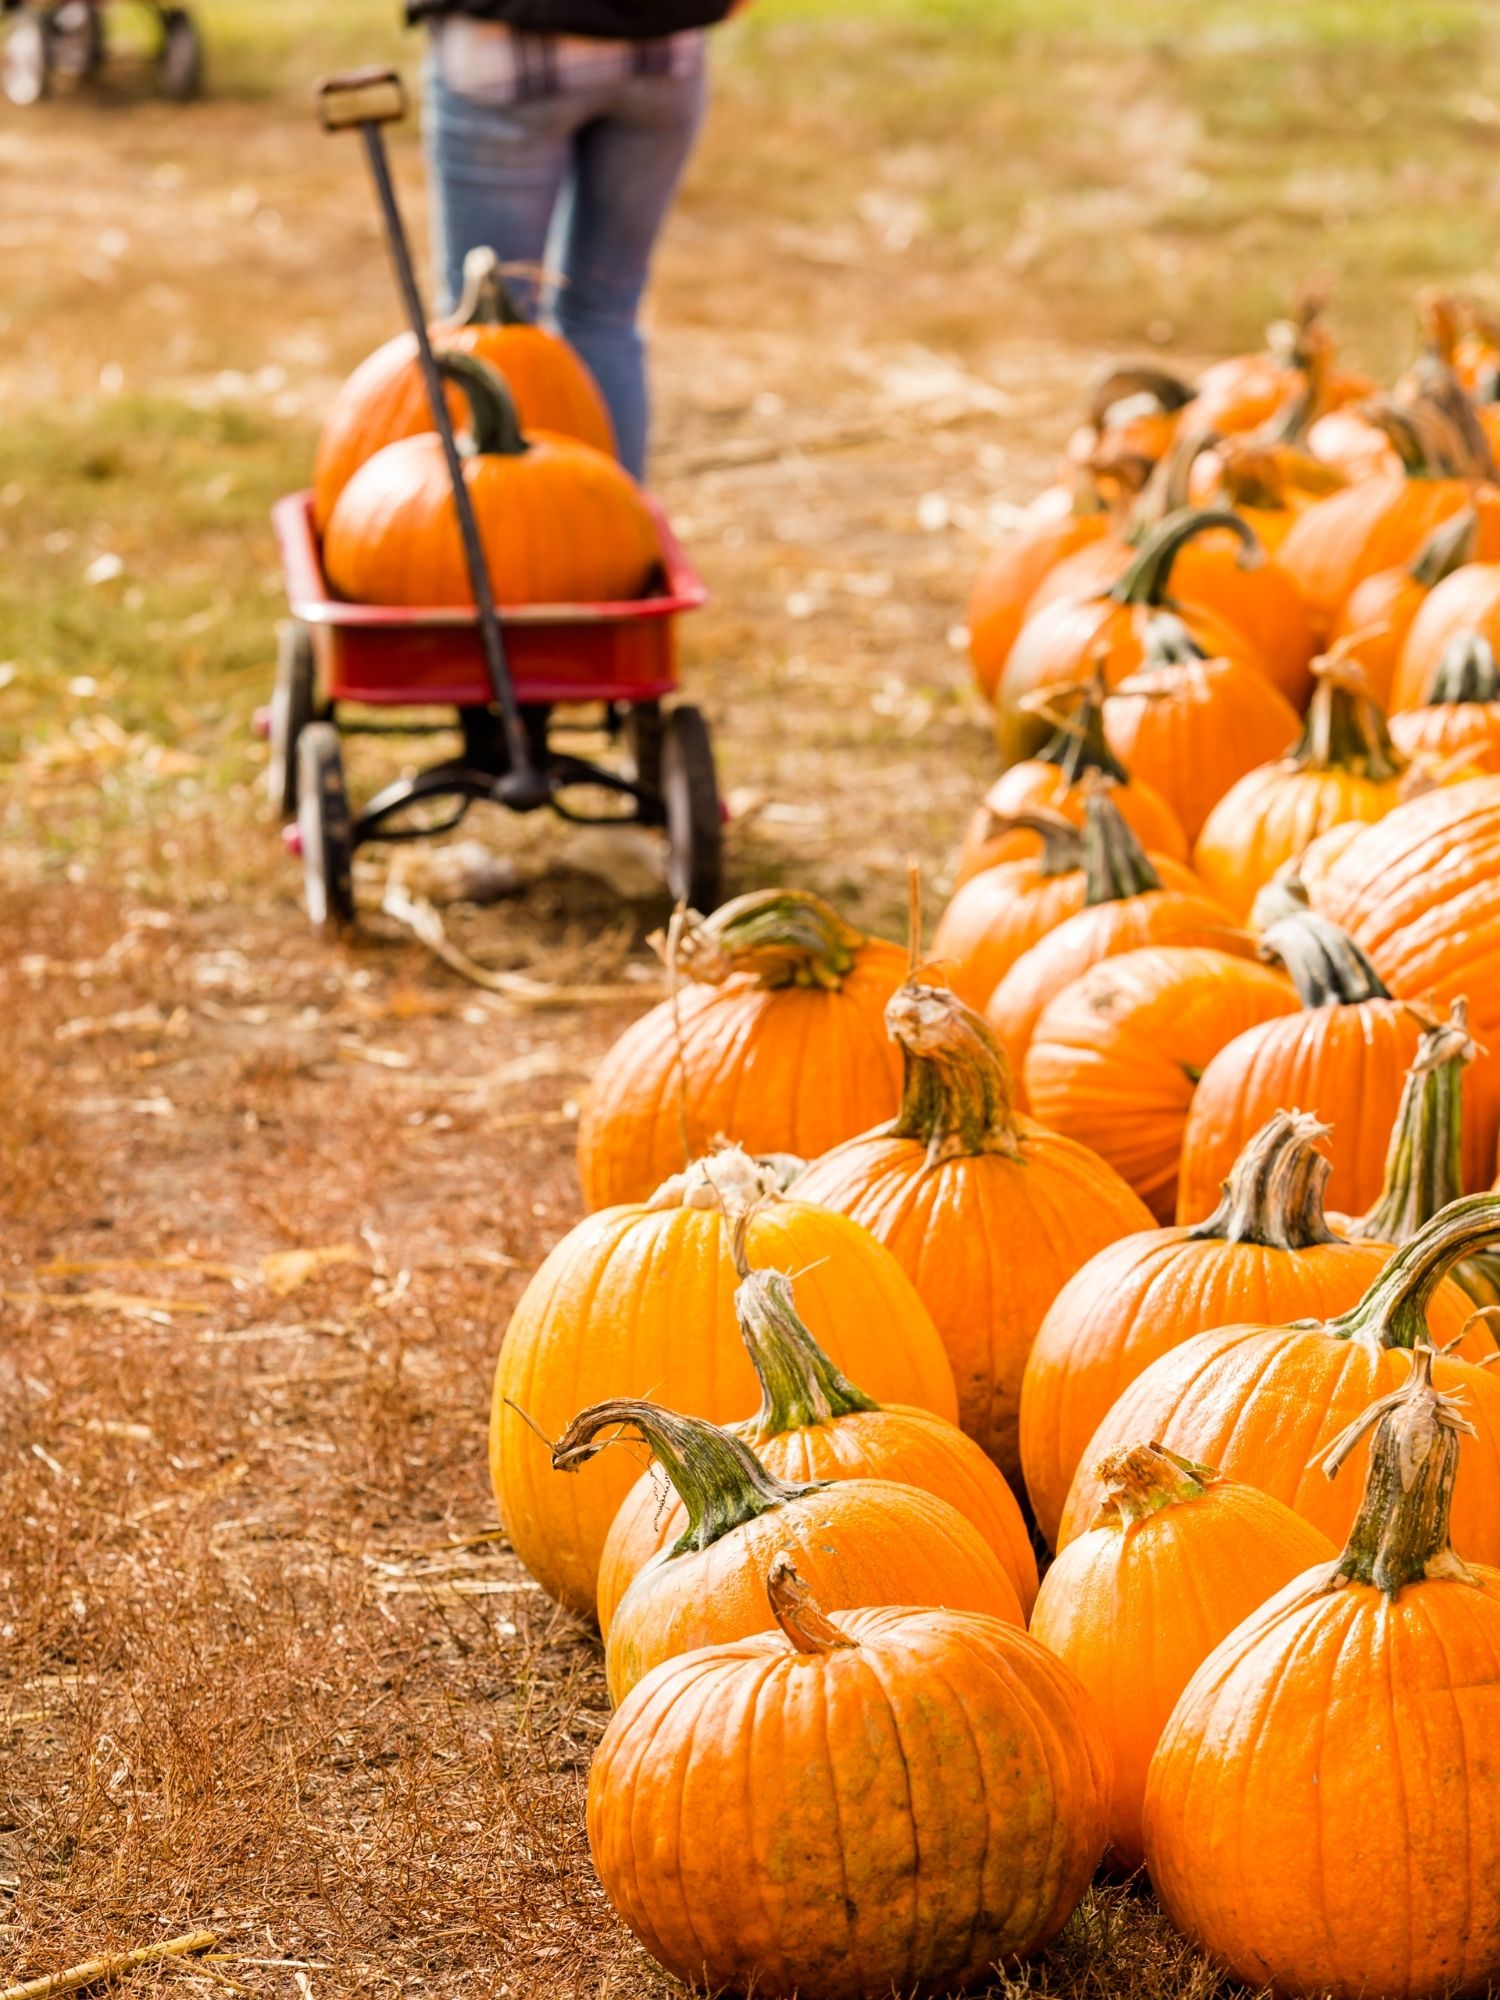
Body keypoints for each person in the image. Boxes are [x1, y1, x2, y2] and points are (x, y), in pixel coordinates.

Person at [410, 1, 744, 480]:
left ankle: (490, 537)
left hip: (505, 48)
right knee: (605, 315)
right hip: (662, 50)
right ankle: (613, 525)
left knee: (485, 324)